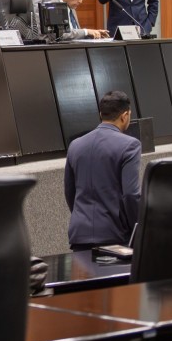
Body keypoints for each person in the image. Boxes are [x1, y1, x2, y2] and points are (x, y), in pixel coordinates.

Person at [64, 90, 141, 250]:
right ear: (125, 116)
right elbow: (131, 195)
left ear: (101, 114)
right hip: (115, 236)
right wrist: (138, 229)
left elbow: (70, 191)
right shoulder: (130, 145)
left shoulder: (75, 145)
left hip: (80, 236)